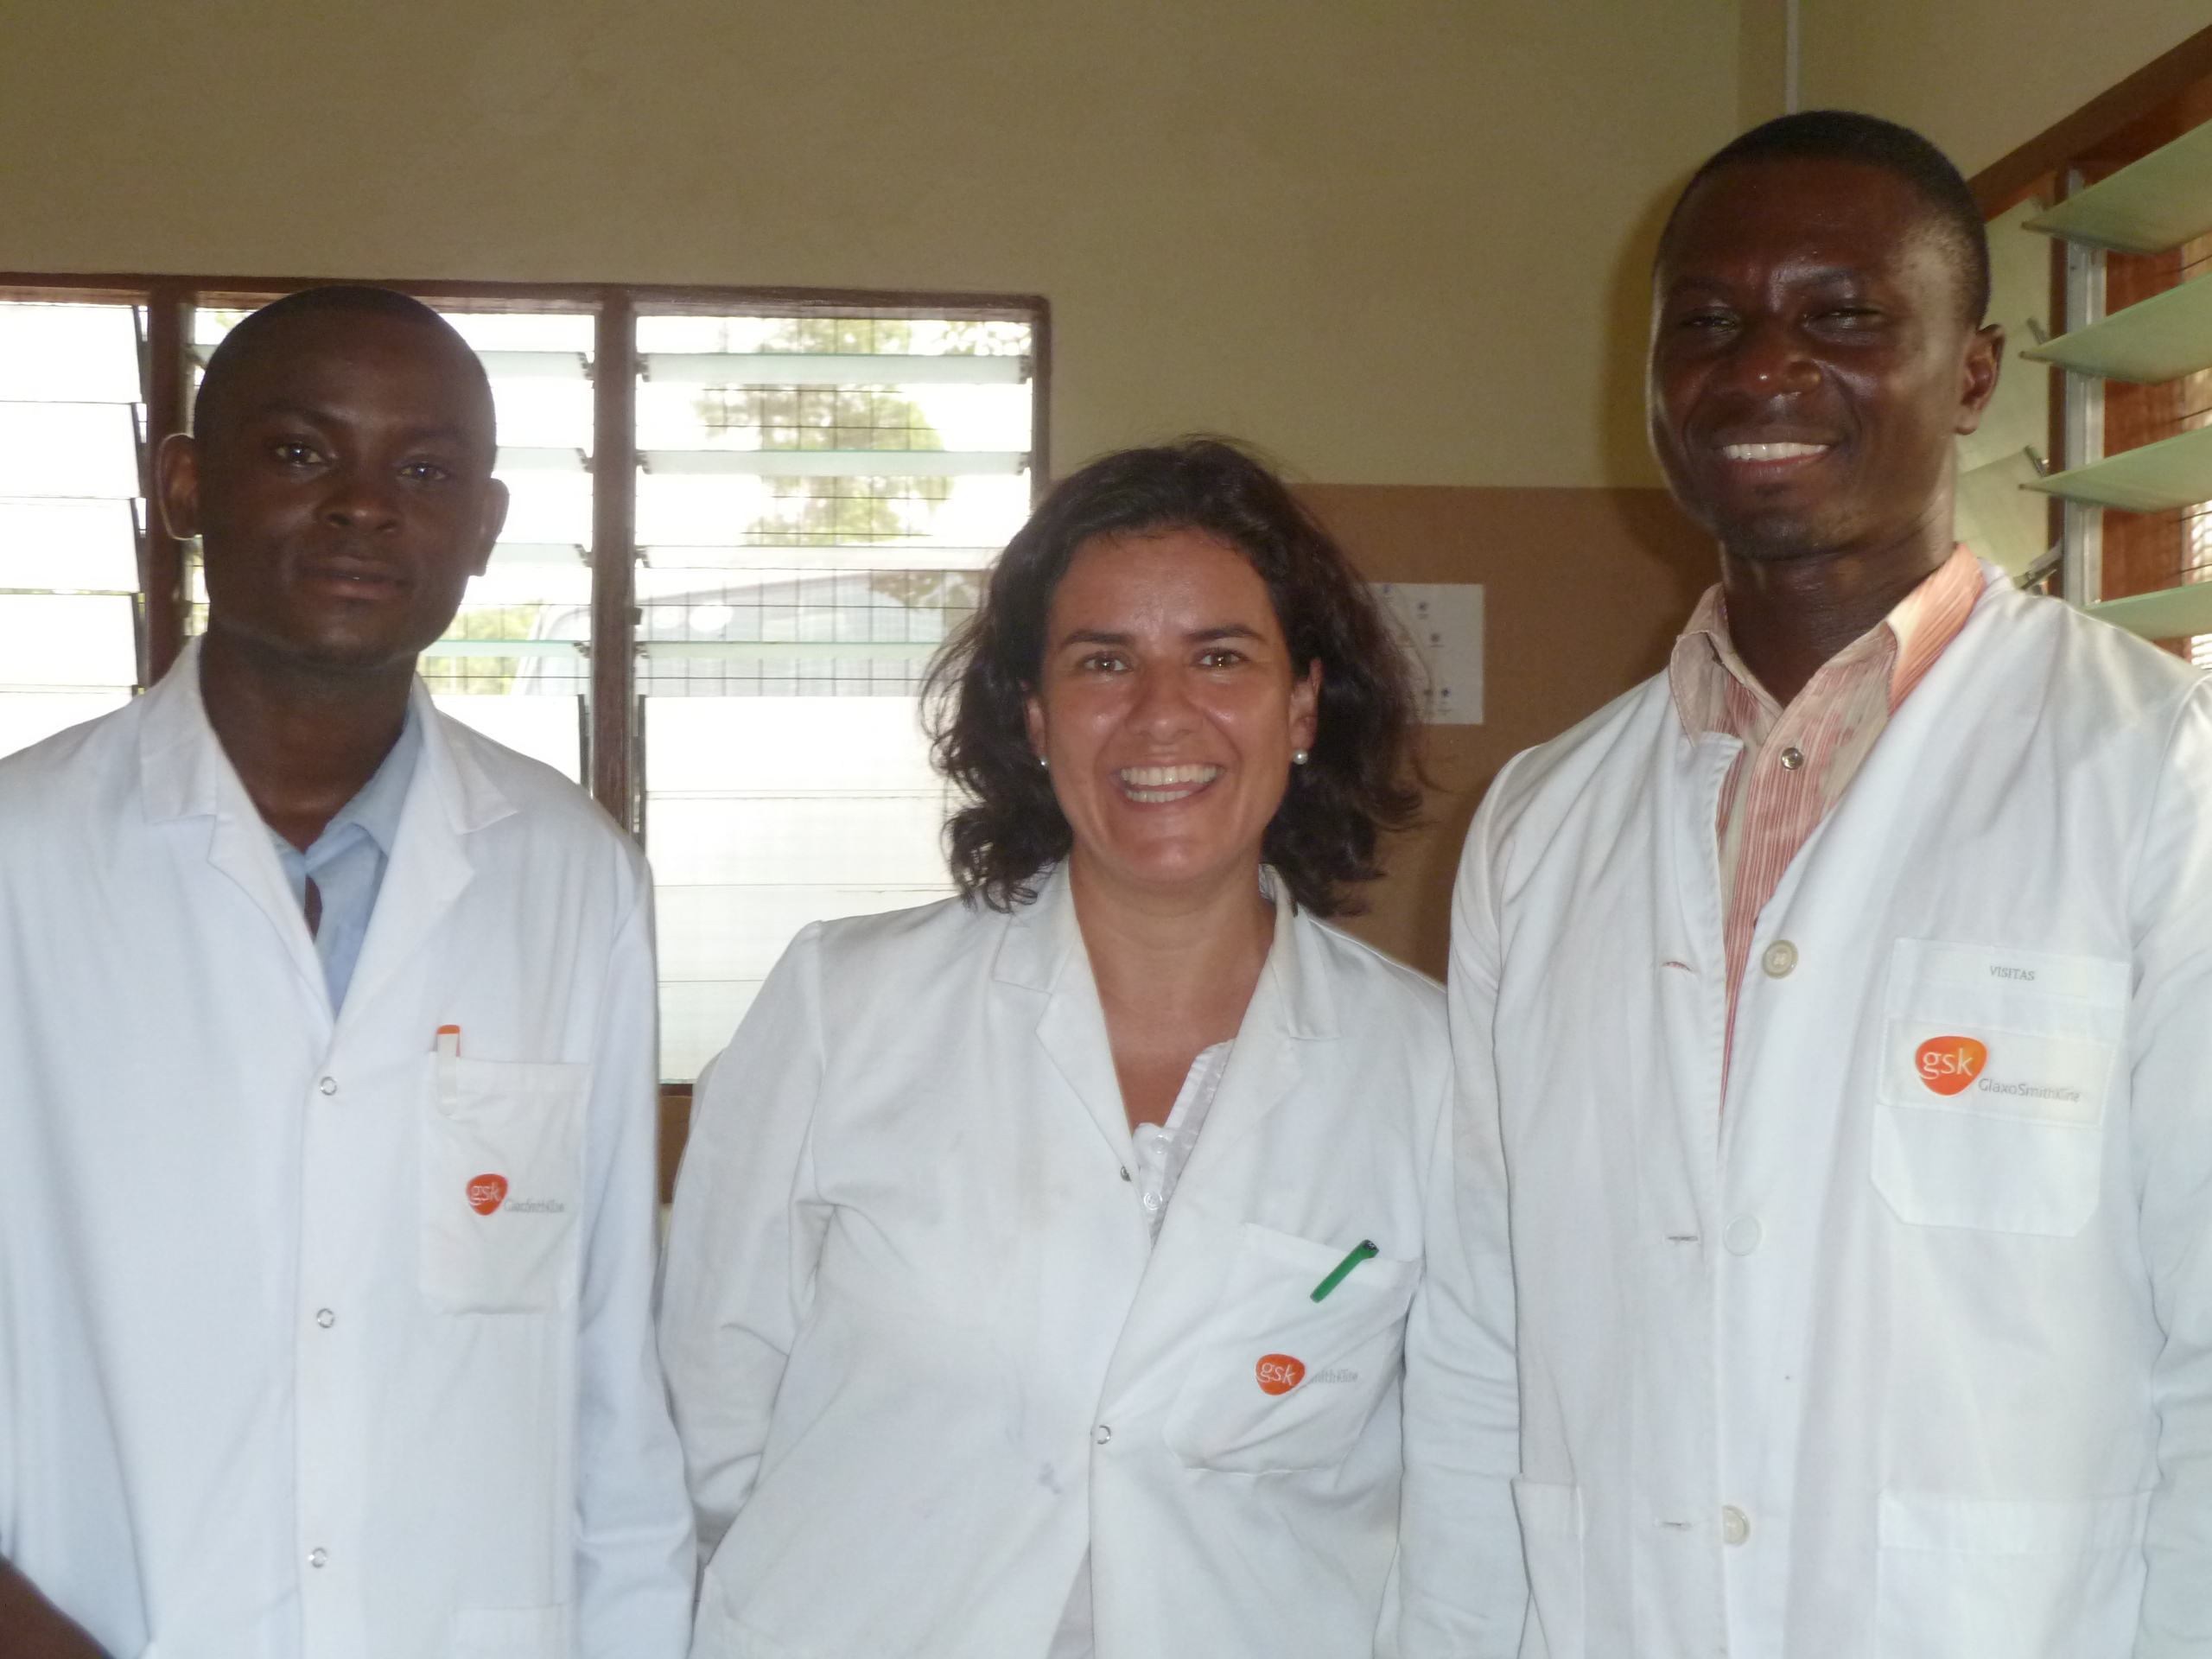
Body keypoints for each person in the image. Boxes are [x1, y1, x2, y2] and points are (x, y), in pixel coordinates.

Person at [1451, 106, 2212, 1659]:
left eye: (1846, 316)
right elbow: (1482, 1337)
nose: (1764, 370)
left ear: (1975, 373)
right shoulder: (1541, 823)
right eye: (1708, 323)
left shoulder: (2157, 775)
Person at [658, 438, 1521, 1657]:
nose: (1161, 713)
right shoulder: (842, 1005)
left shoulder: (1430, 1068)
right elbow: (710, 1411)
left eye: (1220, 656)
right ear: (1035, 713)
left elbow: (1467, 1477)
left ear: (1303, 705)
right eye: (1103, 661)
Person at [0, 286, 693, 1657]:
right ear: (186, 485)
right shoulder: (21, 859)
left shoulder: (573, 874)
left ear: (483, 526)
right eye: (302, 451)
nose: (366, 506)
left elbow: (608, 1364)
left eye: (425, 471)